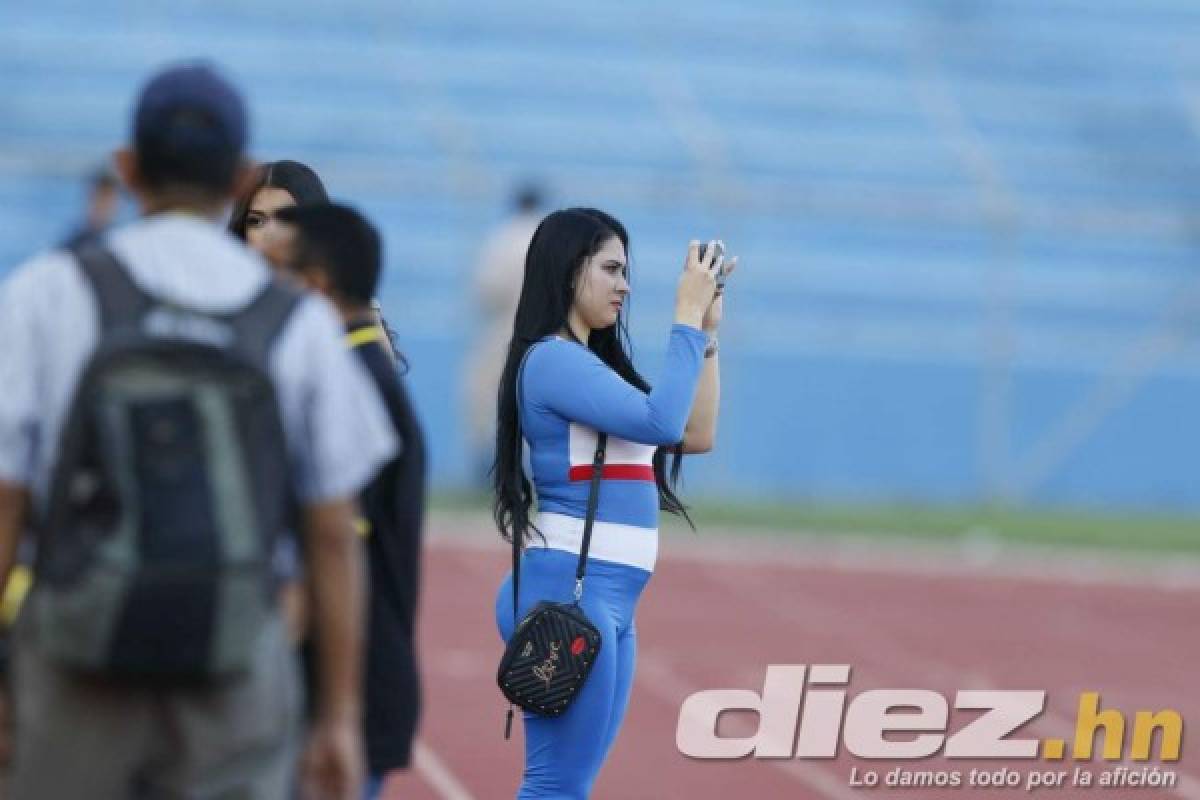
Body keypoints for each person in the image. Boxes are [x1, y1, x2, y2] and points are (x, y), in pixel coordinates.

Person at [0, 62, 396, 800]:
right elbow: (333, 535)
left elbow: (6, 504)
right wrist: (339, 715)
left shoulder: (45, 294)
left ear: (127, 168)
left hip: (75, 659)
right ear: (239, 175)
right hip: (235, 666)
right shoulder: (297, 321)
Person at [492, 208, 735, 798]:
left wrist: (704, 333)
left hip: (605, 599)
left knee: (571, 786)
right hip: (571, 594)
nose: (625, 285)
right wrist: (681, 318)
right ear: (567, 270)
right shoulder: (551, 360)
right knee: (555, 787)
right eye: (611, 269)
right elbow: (662, 418)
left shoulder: (592, 369)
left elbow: (695, 434)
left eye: (627, 271)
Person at [274, 203, 427, 800]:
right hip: (355, 686)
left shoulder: (352, 381)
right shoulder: (362, 369)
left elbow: (331, 553)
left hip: (345, 691)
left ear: (314, 285)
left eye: (280, 274)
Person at [464, 184, 544, 482]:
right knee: (537, 402)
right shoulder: (549, 236)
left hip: (503, 328)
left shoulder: (502, 237)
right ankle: (533, 474)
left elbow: (486, 291)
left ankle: (492, 473)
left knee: (489, 401)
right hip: (544, 331)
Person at [62, 165, 122, 247]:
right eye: (98, 198)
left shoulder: (122, 237)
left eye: (107, 199)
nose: (102, 205)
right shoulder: (74, 242)